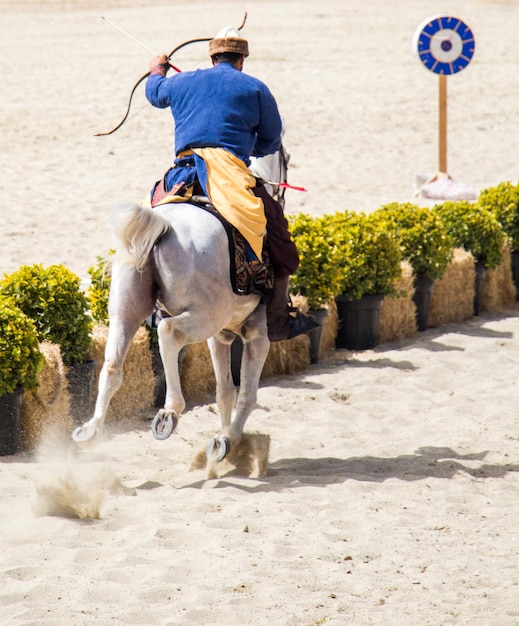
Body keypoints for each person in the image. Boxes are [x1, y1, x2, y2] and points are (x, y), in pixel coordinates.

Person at [145, 25, 318, 341]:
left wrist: (157, 68)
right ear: (241, 60)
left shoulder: (182, 81)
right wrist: (248, 145)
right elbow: (270, 142)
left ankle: (148, 305)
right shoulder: (255, 88)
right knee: (276, 230)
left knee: (145, 226)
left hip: (181, 174)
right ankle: (278, 319)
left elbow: (154, 93)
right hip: (229, 176)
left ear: (212, 58)